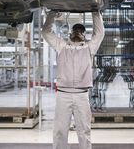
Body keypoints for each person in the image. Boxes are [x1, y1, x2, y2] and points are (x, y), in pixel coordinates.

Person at [42, 11, 104, 149]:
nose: (78, 32)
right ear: (70, 33)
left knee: (84, 131)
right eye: (75, 30)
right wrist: (52, 14)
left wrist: (95, 12)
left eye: (81, 31)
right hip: (63, 95)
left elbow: (99, 33)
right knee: (60, 131)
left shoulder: (89, 48)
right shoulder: (62, 46)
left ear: (84, 35)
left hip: (82, 95)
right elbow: (46, 32)